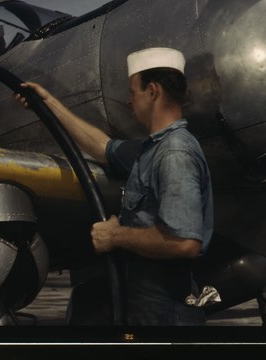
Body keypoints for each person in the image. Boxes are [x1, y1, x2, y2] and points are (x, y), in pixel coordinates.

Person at [16, 47, 213, 326]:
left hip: (163, 310)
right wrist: (47, 103)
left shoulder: (174, 154)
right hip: (144, 297)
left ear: (152, 92)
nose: (129, 101)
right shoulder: (152, 150)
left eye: (133, 92)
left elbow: (183, 243)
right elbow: (102, 147)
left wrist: (115, 236)